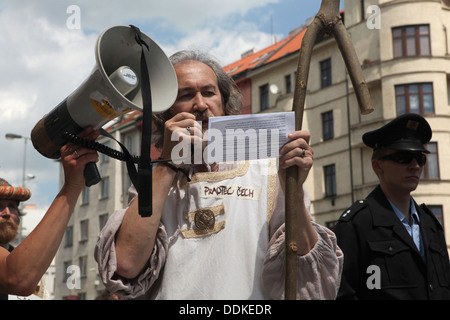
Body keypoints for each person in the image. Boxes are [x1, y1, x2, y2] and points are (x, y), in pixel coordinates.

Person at [95, 50, 343, 300]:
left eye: (209, 93)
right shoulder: (155, 182)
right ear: (166, 114)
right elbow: (126, 264)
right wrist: (169, 163)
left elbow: (312, 281)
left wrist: (295, 191)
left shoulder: (268, 170)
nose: (201, 105)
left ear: (224, 106)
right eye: (186, 95)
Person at [332, 113, 450, 300]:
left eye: (420, 158)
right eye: (404, 157)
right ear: (377, 166)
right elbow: (342, 294)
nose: (415, 166)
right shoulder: (357, 224)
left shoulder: (431, 225)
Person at [0, 127, 99, 300]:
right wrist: (72, 186)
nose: (7, 213)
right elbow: (18, 278)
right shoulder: (22, 266)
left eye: (12, 206)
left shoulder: (29, 261)